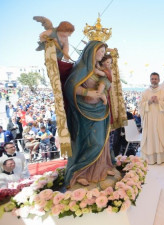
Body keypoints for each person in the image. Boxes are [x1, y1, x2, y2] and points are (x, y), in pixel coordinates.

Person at [64, 41, 115, 187]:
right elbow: (71, 87)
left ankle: (102, 168)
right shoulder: (81, 68)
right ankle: (81, 172)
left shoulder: (99, 68)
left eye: (103, 52)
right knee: (90, 142)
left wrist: (102, 93)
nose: (102, 54)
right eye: (100, 51)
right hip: (83, 111)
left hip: (99, 109)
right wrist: (89, 92)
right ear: (92, 51)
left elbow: (106, 83)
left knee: (102, 141)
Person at [139, 72, 164, 164]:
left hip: (160, 119)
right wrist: (148, 102)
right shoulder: (145, 92)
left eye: (155, 79)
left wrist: (158, 102)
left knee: (160, 135)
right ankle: (151, 159)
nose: (154, 80)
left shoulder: (163, 91)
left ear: (159, 80)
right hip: (149, 120)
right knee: (151, 137)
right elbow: (140, 106)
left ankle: (161, 158)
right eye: (152, 79)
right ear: (150, 80)